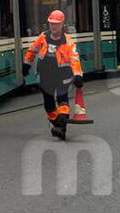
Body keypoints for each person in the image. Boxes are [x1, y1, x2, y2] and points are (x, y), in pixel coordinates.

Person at [22, 10, 83, 140]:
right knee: (49, 105)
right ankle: (58, 125)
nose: (53, 26)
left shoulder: (68, 41)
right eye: (51, 23)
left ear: (62, 25)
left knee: (62, 99)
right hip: (46, 75)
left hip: (63, 75)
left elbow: (74, 58)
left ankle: (61, 127)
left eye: (56, 24)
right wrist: (26, 64)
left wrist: (78, 75)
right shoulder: (42, 38)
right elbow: (32, 50)